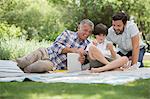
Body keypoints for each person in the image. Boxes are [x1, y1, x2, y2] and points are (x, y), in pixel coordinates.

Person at [16, 19, 94, 73]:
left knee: (37, 67)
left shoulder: (87, 45)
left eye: (89, 32)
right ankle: (19, 64)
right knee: (24, 61)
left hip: (55, 64)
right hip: (47, 52)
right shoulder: (67, 33)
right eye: (85, 30)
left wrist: (81, 61)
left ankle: (24, 70)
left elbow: (83, 63)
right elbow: (55, 46)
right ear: (78, 28)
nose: (87, 33)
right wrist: (73, 50)